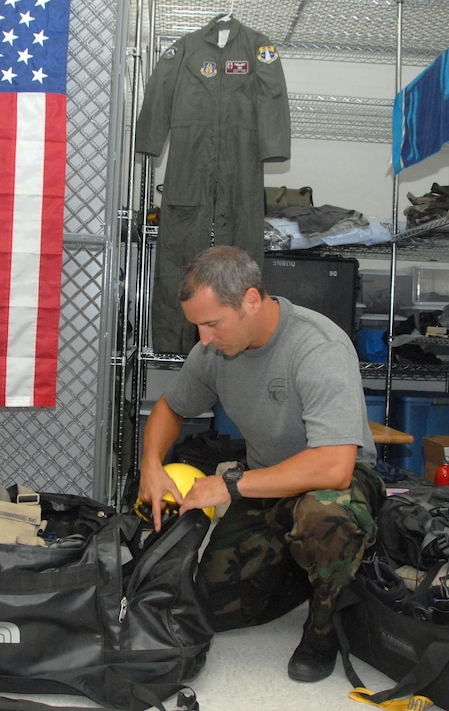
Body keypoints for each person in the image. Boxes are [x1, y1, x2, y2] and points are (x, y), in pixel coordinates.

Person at [138, 245, 384, 683]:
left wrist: (231, 486)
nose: (204, 339)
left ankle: (323, 627)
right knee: (210, 609)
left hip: (335, 485)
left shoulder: (318, 345)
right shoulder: (213, 352)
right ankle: (298, 566)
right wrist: (151, 466)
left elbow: (334, 467)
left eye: (213, 323)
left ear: (251, 300)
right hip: (264, 482)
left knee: (324, 515)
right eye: (198, 326)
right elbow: (170, 409)